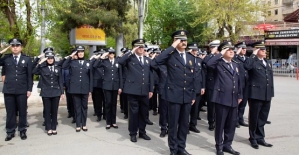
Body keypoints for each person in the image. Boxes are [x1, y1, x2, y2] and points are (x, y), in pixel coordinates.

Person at [151, 30, 195, 155]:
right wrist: (172, 47)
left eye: (185, 39)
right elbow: (154, 63)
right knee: (173, 124)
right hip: (173, 95)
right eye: (180, 40)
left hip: (186, 95)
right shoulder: (169, 56)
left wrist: (192, 95)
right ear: (175, 41)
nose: (183, 42)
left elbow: (193, 78)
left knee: (184, 124)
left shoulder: (191, 57)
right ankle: (173, 149)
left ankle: (181, 148)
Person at [206, 41, 242, 155]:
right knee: (220, 124)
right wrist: (219, 54)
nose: (231, 51)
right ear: (222, 51)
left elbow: (238, 81)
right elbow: (208, 64)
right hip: (221, 98)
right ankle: (219, 146)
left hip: (233, 98)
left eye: (232, 49)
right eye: (228, 50)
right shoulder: (218, 63)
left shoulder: (235, 64)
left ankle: (228, 145)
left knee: (231, 124)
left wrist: (240, 95)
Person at [118, 39, 154, 143]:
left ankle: (142, 132)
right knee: (133, 113)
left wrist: (151, 89)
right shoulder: (130, 58)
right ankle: (133, 133)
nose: (141, 48)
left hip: (145, 91)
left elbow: (150, 75)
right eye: (139, 47)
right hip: (133, 91)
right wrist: (131, 52)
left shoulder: (148, 60)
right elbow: (120, 61)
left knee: (144, 113)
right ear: (134, 47)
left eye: (142, 47)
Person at [0, 38, 33, 141]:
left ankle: (22, 130)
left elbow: (29, 76)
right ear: (10, 47)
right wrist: (3, 50)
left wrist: (29, 89)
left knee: (22, 111)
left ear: (21, 47)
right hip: (9, 89)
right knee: (10, 112)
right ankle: (10, 131)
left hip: (22, 90)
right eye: (12, 46)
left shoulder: (27, 59)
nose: (15, 48)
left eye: (17, 45)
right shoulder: (6, 58)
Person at [244, 41, 274, 149]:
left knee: (262, 117)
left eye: (265, 50)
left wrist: (271, 93)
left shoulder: (267, 62)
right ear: (257, 50)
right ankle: (253, 138)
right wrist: (253, 54)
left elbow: (270, 79)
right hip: (256, 94)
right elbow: (246, 66)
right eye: (262, 50)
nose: (265, 51)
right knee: (254, 117)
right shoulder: (252, 61)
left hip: (266, 94)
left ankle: (260, 137)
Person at [62, 46, 93, 132]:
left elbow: (91, 77)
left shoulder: (88, 63)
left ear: (84, 53)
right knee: (77, 107)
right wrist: (71, 56)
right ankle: (78, 125)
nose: (80, 53)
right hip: (75, 88)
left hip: (85, 88)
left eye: (82, 52)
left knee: (84, 107)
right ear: (76, 53)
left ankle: (84, 124)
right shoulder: (72, 62)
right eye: (78, 52)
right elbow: (64, 66)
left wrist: (90, 90)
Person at [32, 51, 64, 136]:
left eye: (51, 58)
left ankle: (54, 127)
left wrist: (62, 92)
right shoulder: (43, 67)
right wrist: (40, 62)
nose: (50, 60)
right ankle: (48, 127)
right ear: (46, 59)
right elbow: (34, 71)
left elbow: (60, 80)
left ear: (54, 59)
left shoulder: (58, 67)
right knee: (47, 110)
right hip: (46, 92)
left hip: (56, 92)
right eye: (48, 58)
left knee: (54, 111)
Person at [93, 47, 122, 129]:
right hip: (107, 86)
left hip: (115, 86)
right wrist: (102, 57)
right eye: (110, 53)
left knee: (114, 104)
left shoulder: (118, 61)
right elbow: (95, 65)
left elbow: (120, 74)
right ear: (108, 54)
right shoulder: (104, 61)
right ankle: (108, 122)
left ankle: (114, 122)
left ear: (114, 54)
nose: (111, 54)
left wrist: (120, 86)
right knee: (108, 104)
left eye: (112, 53)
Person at [187, 43, 205, 134]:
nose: (195, 51)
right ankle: (185, 126)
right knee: (186, 109)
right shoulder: (186, 58)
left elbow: (202, 74)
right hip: (188, 88)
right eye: (193, 50)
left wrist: (203, 86)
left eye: (196, 50)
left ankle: (192, 125)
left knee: (195, 109)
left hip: (197, 87)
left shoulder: (199, 60)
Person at [203, 40, 220, 131]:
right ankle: (211, 122)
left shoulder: (221, 56)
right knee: (211, 105)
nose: (216, 49)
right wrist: (212, 53)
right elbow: (205, 62)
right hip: (211, 84)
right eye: (214, 47)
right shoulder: (209, 57)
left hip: (221, 84)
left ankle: (218, 121)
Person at [233, 42, 249, 128]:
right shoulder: (235, 58)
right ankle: (234, 120)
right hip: (239, 84)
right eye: (242, 48)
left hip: (246, 84)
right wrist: (237, 53)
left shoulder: (247, 58)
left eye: (245, 48)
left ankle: (240, 119)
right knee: (237, 103)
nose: (244, 50)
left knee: (243, 103)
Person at [91, 49, 106, 122]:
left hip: (106, 84)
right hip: (97, 85)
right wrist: (98, 58)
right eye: (100, 54)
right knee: (98, 101)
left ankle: (105, 115)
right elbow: (93, 66)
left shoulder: (107, 61)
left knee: (106, 101)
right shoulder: (96, 62)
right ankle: (99, 114)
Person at [119, 48, 129, 119]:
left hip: (131, 81)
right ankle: (126, 112)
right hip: (124, 81)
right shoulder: (122, 60)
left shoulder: (131, 59)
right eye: (124, 53)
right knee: (125, 99)